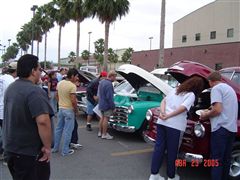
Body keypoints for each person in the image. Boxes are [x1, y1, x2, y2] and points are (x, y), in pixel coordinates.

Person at [2, 54, 53, 180]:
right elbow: (43, 121)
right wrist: (47, 147)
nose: (41, 73)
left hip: (12, 150)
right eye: (40, 69)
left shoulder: (11, 88)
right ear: (33, 71)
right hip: (29, 153)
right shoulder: (35, 92)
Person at [149, 76, 205, 180]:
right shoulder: (191, 95)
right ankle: (171, 176)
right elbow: (183, 108)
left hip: (162, 122)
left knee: (158, 149)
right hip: (175, 126)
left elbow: (163, 101)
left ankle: (154, 175)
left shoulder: (174, 90)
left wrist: (162, 113)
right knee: (172, 152)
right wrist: (168, 116)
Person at [200, 71, 238, 180]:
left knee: (216, 160)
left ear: (211, 82)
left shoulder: (216, 89)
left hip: (220, 129)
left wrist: (205, 115)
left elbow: (217, 110)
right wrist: (210, 109)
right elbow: (223, 107)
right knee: (226, 159)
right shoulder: (230, 89)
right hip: (231, 129)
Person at [52, 68, 80, 156]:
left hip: (61, 109)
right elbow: (73, 100)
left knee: (59, 129)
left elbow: (56, 95)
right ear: (72, 76)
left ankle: (55, 148)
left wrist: (60, 103)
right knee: (68, 131)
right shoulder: (72, 86)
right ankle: (65, 150)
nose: (77, 78)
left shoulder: (60, 83)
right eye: (76, 76)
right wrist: (76, 110)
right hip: (69, 110)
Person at [0, 62, 18, 162]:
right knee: (7, 135)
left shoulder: (2, 77)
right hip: (5, 111)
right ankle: (7, 158)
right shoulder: (11, 81)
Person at [98, 70, 117, 140]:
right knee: (106, 118)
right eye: (115, 77)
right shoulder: (109, 84)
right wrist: (113, 107)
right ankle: (104, 134)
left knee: (102, 118)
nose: (115, 79)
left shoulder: (102, 82)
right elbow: (109, 97)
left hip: (101, 103)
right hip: (106, 105)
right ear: (111, 76)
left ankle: (100, 132)